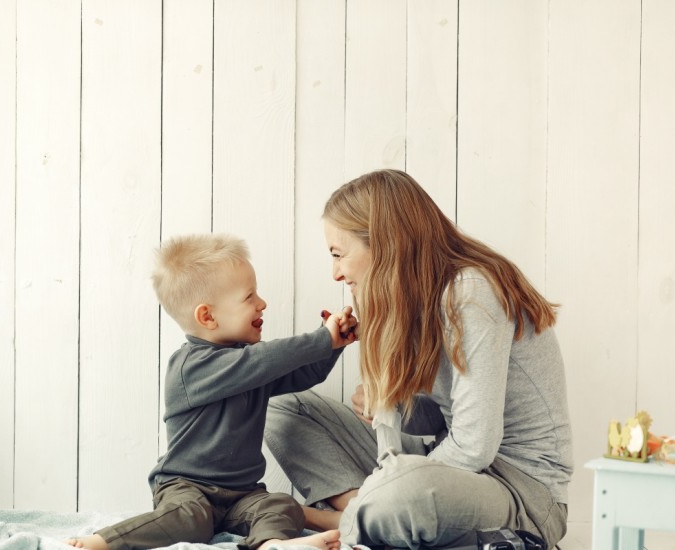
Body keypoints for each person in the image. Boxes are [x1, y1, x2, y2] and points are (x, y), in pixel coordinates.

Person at [264, 169, 573, 549]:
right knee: (283, 409)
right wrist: (391, 404)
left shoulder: (471, 292)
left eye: (339, 255)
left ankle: (353, 518)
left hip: (521, 493)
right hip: (451, 472)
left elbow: (476, 446)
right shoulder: (421, 296)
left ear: (383, 243)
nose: (336, 273)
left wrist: (394, 480)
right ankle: (368, 512)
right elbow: (448, 416)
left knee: (403, 491)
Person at [67, 233, 358, 550]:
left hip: (242, 494)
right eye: (249, 297)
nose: (262, 303)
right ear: (207, 316)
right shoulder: (192, 367)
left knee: (280, 505)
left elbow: (303, 374)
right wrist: (320, 340)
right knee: (189, 517)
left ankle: (272, 544)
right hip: (186, 487)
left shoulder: (247, 364)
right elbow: (262, 360)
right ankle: (101, 541)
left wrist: (334, 345)